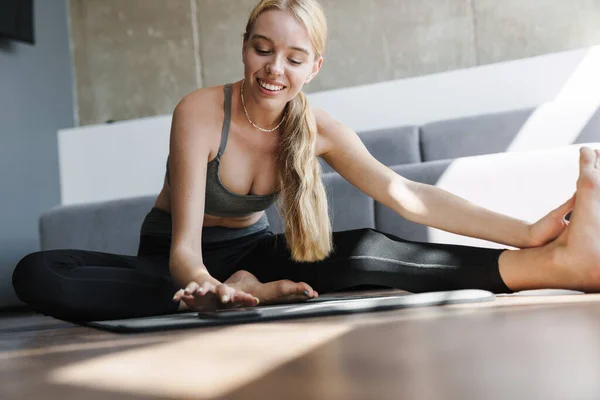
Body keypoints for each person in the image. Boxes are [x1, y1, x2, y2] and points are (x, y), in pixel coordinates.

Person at [11, 0, 600, 322]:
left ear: (314, 68)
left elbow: (409, 196)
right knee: (36, 273)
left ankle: (556, 266)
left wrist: (529, 231)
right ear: (245, 47)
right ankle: (252, 294)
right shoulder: (198, 112)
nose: (274, 70)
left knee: (369, 246)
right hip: (176, 264)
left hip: (257, 255)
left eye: (294, 58)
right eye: (263, 50)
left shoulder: (319, 130)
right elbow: (184, 251)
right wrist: (207, 288)